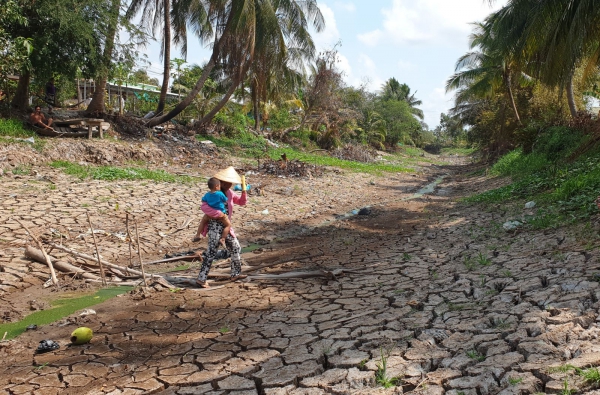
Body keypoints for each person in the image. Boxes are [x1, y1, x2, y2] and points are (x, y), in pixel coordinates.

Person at [195, 167, 248, 288]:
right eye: (228, 183)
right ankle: (201, 279)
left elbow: (241, 202)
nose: (230, 185)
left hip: (226, 226)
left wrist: (244, 192)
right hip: (214, 226)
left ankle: (235, 273)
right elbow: (204, 207)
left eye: (231, 183)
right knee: (211, 252)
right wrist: (219, 214)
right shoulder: (212, 194)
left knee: (235, 247)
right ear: (221, 183)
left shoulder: (229, 193)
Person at [193, 177, 231, 246]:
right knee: (228, 225)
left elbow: (203, 200)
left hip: (209, 214)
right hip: (220, 214)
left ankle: (197, 235)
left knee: (203, 222)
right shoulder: (220, 194)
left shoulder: (207, 194)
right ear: (216, 186)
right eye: (219, 186)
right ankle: (223, 239)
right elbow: (225, 200)